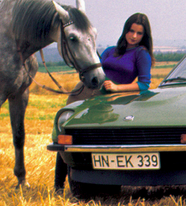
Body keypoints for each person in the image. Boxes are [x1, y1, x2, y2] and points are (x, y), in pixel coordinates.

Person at [55, 12, 155, 194]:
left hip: (107, 99)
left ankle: (79, 185)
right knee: (64, 135)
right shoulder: (110, 50)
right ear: (125, 30)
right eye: (131, 31)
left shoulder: (141, 54)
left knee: (81, 139)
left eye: (139, 33)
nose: (133, 36)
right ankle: (58, 186)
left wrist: (117, 88)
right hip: (82, 91)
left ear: (144, 36)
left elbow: (144, 84)